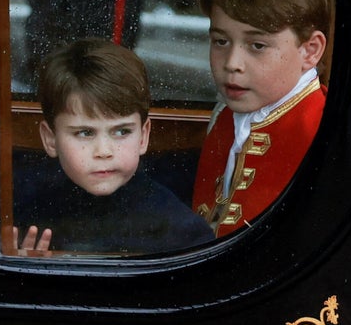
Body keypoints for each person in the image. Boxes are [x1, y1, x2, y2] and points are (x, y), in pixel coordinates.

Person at [13, 38, 215, 254]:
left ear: (143, 136)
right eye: (85, 133)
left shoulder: (183, 232)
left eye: (121, 132)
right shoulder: (24, 220)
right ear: (50, 139)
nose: (104, 151)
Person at [191, 0, 335, 237]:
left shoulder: (327, 134)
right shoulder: (224, 115)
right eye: (220, 41)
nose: (232, 63)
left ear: (310, 51)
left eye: (257, 46)